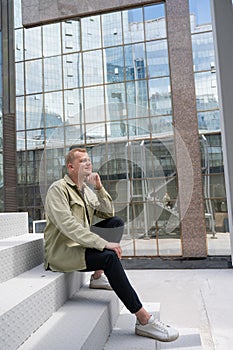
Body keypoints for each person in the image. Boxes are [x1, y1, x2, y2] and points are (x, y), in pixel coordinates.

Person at [44, 147, 179, 342]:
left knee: (116, 223)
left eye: (89, 160)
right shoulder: (58, 189)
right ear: (70, 167)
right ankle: (143, 319)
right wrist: (102, 243)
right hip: (63, 252)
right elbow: (68, 226)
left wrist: (99, 188)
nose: (88, 163)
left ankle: (98, 277)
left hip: (81, 245)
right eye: (82, 161)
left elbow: (108, 213)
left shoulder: (86, 191)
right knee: (109, 257)